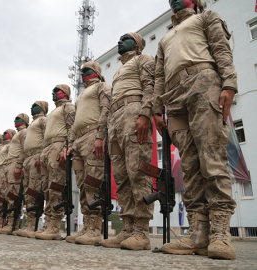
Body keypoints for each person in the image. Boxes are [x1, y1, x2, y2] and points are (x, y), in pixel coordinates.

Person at [153, 0, 238, 260]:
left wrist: (229, 83)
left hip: (204, 81)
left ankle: (221, 233)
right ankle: (198, 233)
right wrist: (157, 107)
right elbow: (158, 75)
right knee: (189, 165)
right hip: (174, 95)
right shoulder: (165, 38)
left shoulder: (206, 17)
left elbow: (221, 49)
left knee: (211, 157)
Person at [101, 32, 155, 250]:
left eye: (127, 39)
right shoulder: (118, 71)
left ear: (138, 44)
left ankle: (142, 231)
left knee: (138, 172)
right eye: (120, 40)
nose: (120, 42)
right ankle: (128, 227)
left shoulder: (144, 59)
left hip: (134, 113)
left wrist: (145, 114)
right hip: (115, 120)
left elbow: (150, 86)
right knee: (121, 176)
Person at [65, 61, 111, 245]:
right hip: (79, 140)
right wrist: (70, 143)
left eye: (87, 70)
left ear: (97, 72)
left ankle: (94, 228)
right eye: (82, 71)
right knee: (82, 184)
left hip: (93, 135)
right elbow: (74, 121)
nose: (83, 73)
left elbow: (106, 110)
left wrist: (101, 135)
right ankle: (86, 225)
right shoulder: (81, 95)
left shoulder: (102, 86)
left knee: (94, 181)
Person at [35, 84, 75, 241]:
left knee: (56, 187)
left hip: (58, 146)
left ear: (65, 93)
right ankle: (48, 222)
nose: (53, 93)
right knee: (46, 188)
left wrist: (68, 147)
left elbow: (72, 127)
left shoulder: (68, 107)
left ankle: (54, 226)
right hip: (47, 149)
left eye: (56, 91)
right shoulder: (52, 113)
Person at [14, 101, 48, 238]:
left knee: (34, 191)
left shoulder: (43, 120)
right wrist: (20, 165)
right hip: (27, 159)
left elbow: (46, 138)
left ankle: (33, 224)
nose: (33, 108)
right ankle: (29, 224)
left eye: (36, 106)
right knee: (28, 192)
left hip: (36, 157)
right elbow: (23, 149)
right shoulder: (29, 128)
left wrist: (41, 156)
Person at [0, 114, 29, 235]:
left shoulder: (24, 132)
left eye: (19, 119)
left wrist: (19, 166)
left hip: (16, 163)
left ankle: (13, 224)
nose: (16, 121)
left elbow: (23, 149)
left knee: (14, 195)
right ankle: (9, 223)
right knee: (9, 195)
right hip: (9, 165)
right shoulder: (17, 134)